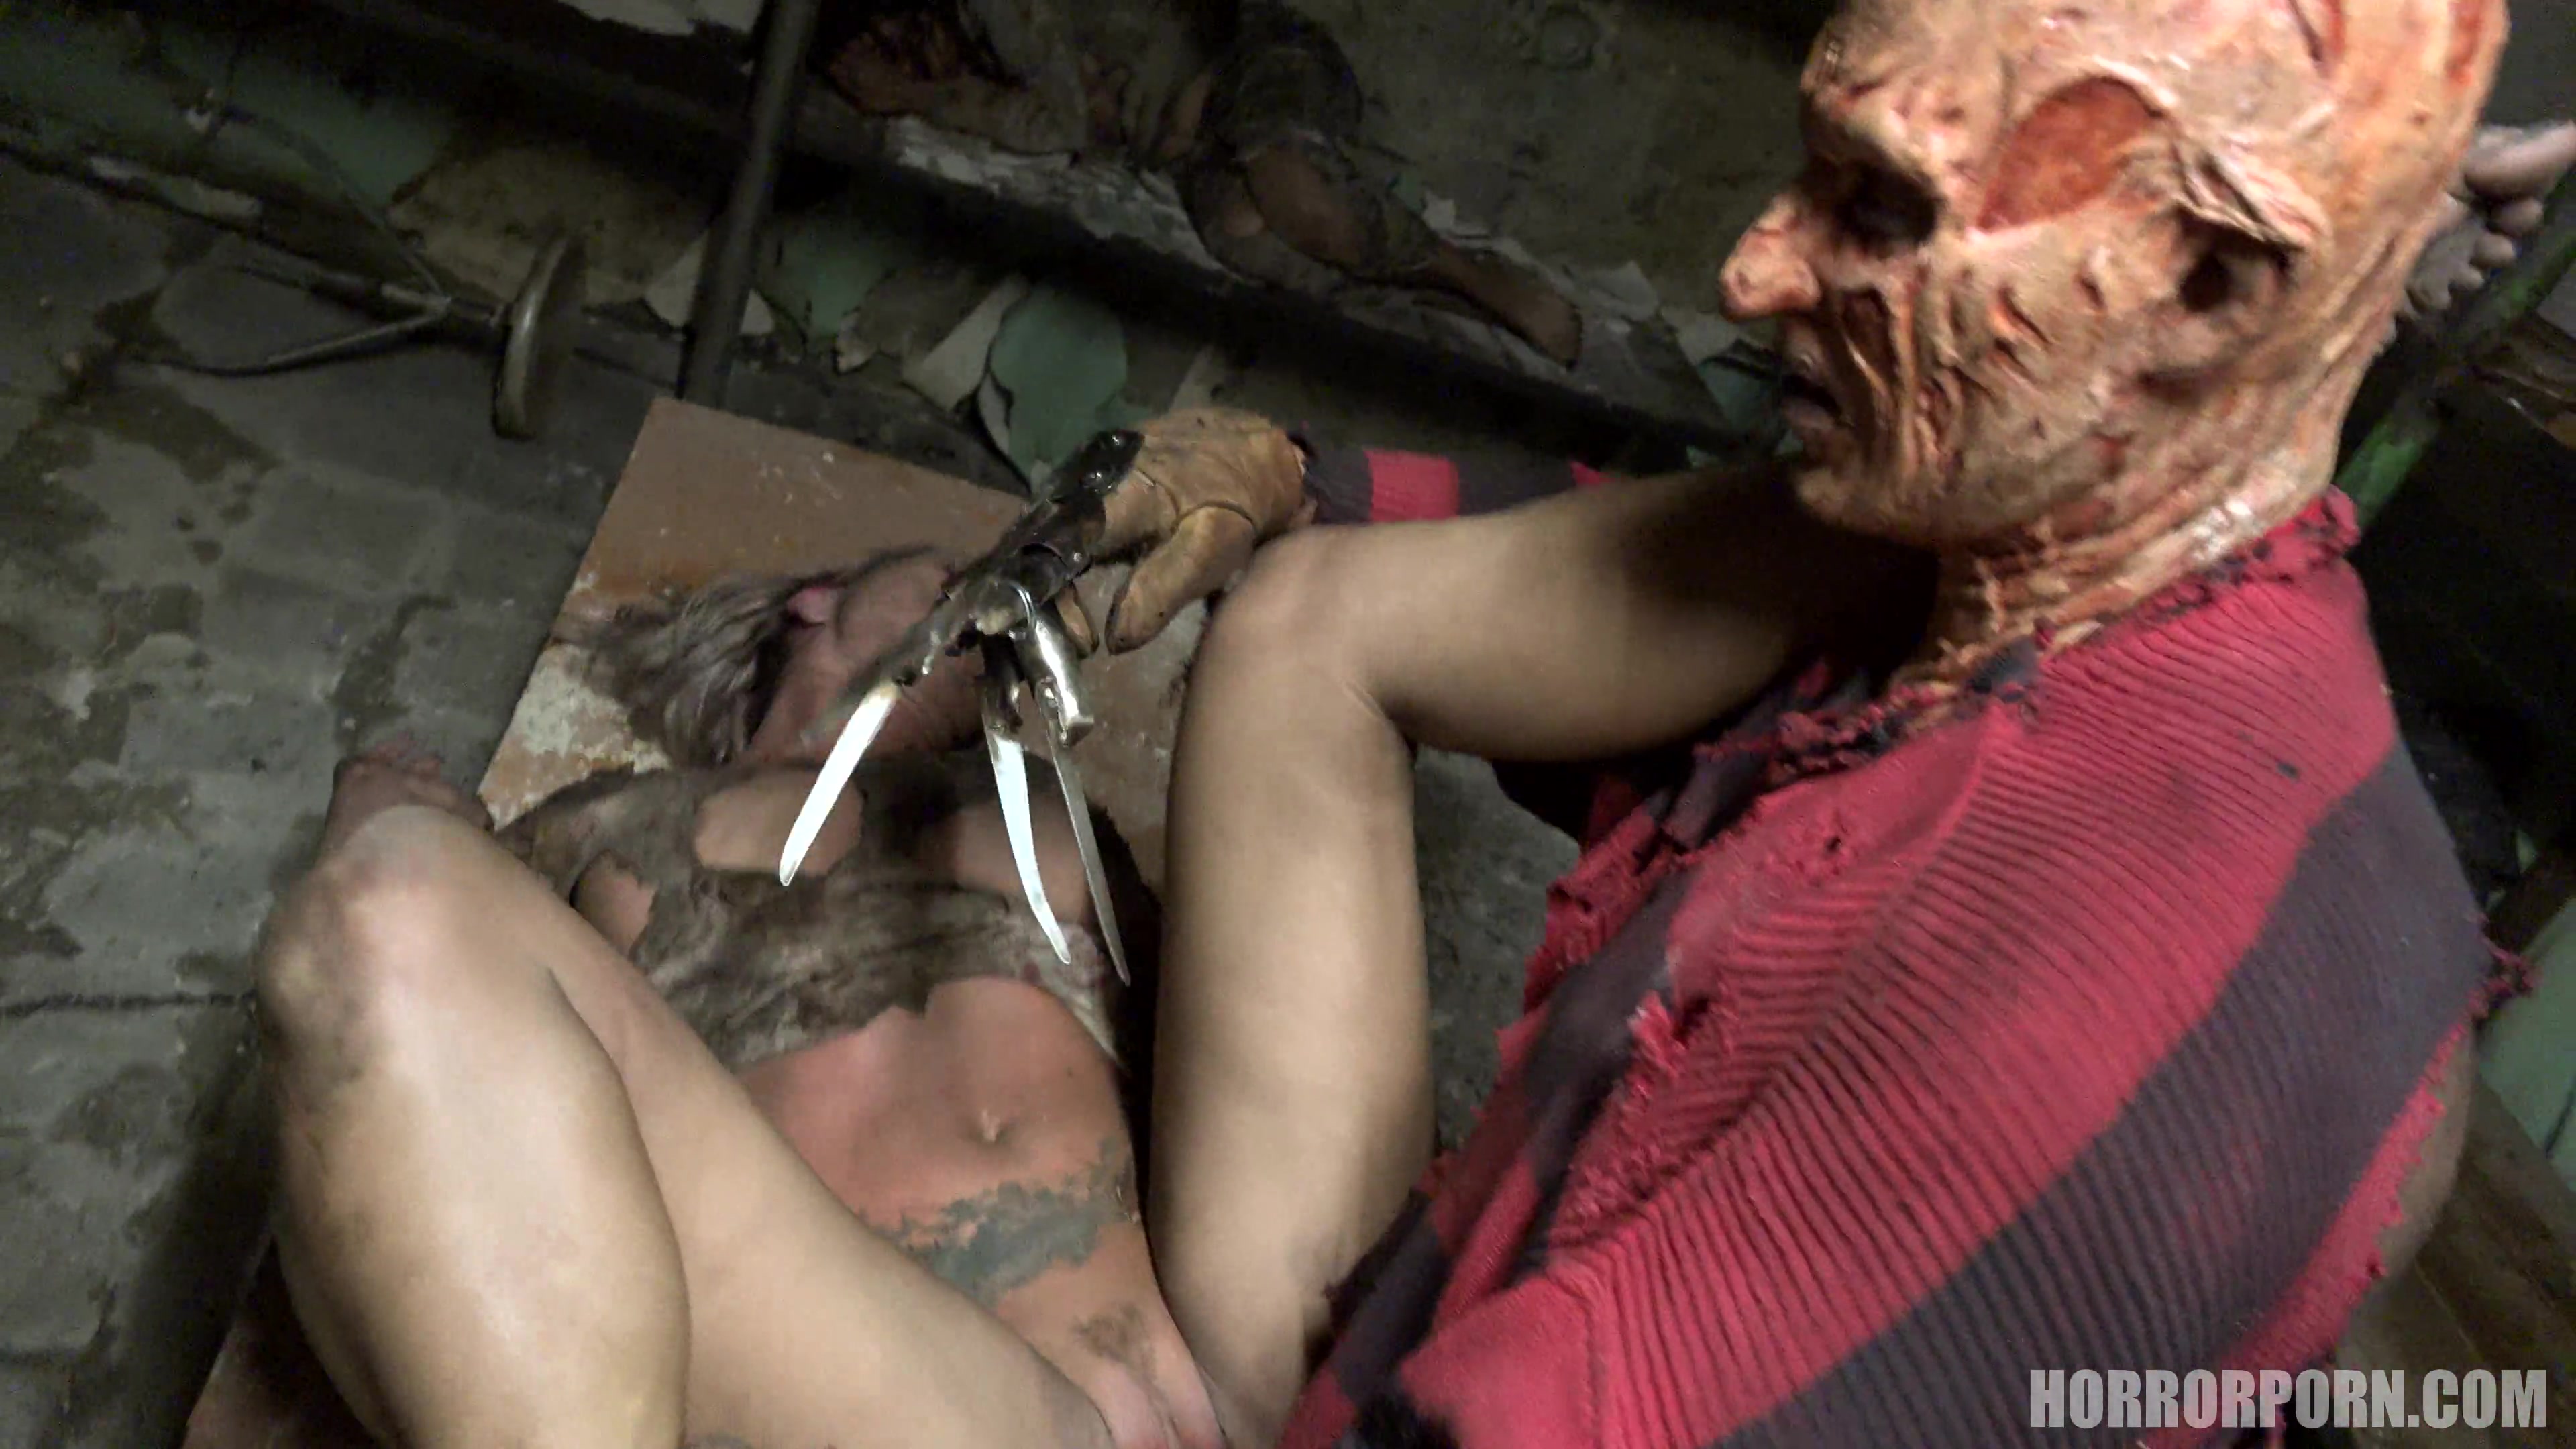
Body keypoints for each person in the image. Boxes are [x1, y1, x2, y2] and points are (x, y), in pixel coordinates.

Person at [254, 0, 2548, 1446]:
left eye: (1878, 210)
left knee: (386, 921)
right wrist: (1278, 483)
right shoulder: (2058, 532)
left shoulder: (2122, 1042)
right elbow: (1613, 577)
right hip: (1308, 1369)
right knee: (1309, 622)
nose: (1755, 267)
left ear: (2209, 284)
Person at [815, 0, 1587, 364]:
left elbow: (1060, 123)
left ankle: (1469, 273)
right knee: (1244, 237)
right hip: (1194, 147)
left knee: (1294, 189)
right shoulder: (973, 65)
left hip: (1252, 67)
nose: (909, 58)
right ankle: (1437, 297)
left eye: (896, 36)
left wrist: (916, 94)